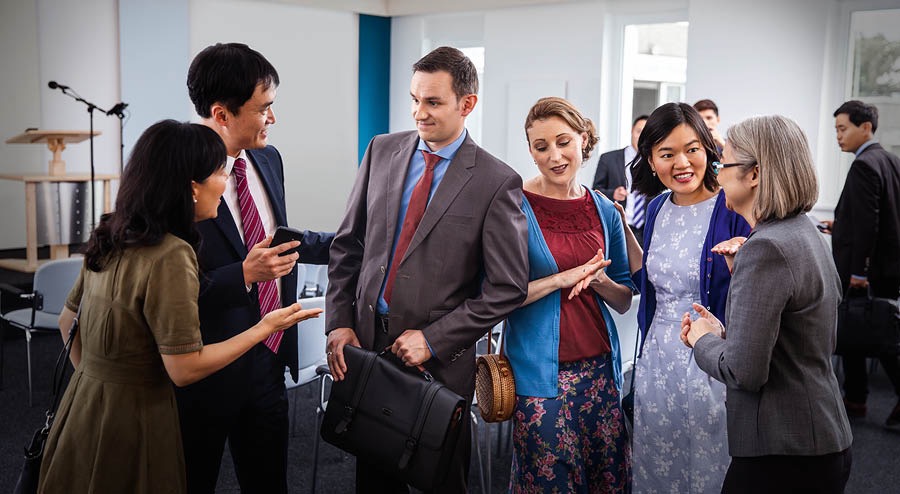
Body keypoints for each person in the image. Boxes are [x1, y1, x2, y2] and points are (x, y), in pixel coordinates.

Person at [37, 120, 321, 493]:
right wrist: (265, 327)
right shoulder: (172, 254)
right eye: (220, 173)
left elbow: (66, 321)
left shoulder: (111, 232)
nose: (226, 182)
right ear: (191, 187)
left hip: (84, 411)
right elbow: (185, 369)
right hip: (139, 421)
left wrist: (102, 381)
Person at [325, 46, 529, 493]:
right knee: (375, 477)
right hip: (365, 346)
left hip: (437, 362)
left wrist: (433, 340)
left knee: (441, 481)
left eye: (433, 102)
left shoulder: (497, 181)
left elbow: (507, 288)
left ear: (467, 104)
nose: (419, 112)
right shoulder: (382, 150)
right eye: (415, 99)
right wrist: (338, 323)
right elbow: (348, 246)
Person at [175, 43, 334, 494]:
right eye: (264, 108)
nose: (273, 119)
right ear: (221, 113)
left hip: (268, 361)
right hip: (201, 370)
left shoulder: (267, 158)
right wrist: (243, 275)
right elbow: (164, 288)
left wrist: (355, 244)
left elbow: (274, 236)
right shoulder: (172, 171)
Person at [681, 115, 853, 493]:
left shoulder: (766, 248)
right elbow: (794, 340)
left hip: (784, 451)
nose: (718, 176)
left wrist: (702, 339)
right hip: (816, 437)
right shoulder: (802, 231)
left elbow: (746, 372)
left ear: (754, 174)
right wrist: (726, 332)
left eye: (722, 164)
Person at [505, 97, 634, 492]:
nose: (555, 156)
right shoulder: (513, 205)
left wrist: (599, 282)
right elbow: (499, 296)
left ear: (583, 139)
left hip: (599, 372)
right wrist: (562, 279)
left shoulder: (605, 210)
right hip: (539, 376)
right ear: (530, 151)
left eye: (563, 142)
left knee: (605, 480)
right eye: (541, 147)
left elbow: (624, 297)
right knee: (548, 481)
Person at [628, 102, 750, 493]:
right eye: (667, 154)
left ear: (709, 151)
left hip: (710, 358)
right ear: (649, 159)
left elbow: (751, 291)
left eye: (692, 149)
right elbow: (651, 280)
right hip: (657, 358)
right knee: (658, 462)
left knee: (709, 464)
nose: (682, 163)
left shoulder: (730, 206)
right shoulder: (658, 205)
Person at [825, 100, 900, 427]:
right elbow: (880, 218)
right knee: (863, 329)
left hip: (865, 271)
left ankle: (858, 397)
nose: (838, 136)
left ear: (865, 127)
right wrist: (839, 226)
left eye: (843, 129)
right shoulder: (892, 161)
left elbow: (869, 225)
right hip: (886, 266)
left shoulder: (864, 165)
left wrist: (858, 273)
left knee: (875, 334)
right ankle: (855, 397)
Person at [592, 114, 650, 241]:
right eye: (639, 131)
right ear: (631, 131)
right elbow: (595, 192)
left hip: (645, 231)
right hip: (618, 227)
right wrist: (613, 194)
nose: (641, 137)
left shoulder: (654, 162)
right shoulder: (608, 159)